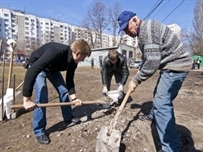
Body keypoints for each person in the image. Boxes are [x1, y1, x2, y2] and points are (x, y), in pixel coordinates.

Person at [118, 11, 192, 152]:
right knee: (159, 95)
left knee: (161, 103)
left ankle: (170, 148)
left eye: (127, 28)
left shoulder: (147, 30)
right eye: (124, 30)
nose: (126, 32)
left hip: (176, 65)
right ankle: (154, 115)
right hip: (171, 65)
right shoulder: (143, 33)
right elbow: (149, 56)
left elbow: (152, 62)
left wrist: (136, 80)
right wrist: (141, 68)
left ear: (134, 20)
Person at [22, 39, 91, 145]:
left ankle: (68, 118)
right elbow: (33, 70)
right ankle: (39, 131)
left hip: (52, 69)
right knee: (42, 96)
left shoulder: (73, 61)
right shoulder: (56, 51)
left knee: (63, 91)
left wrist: (74, 98)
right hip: (37, 66)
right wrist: (26, 99)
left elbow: (69, 79)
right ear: (77, 53)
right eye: (83, 57)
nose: (83, 60)